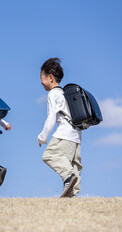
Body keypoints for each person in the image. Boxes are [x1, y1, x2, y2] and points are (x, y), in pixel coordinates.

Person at [37, 58, 82, 198]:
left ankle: (68, 177)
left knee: (49, 155)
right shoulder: (65, 94)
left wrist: (42, 137)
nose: (41, 82)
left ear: (50, 78)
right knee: (73, 164)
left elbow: (51, 119)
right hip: (77, 136)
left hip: (64, 133)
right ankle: (72, 194)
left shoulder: (53, 94)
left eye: (42, 79)